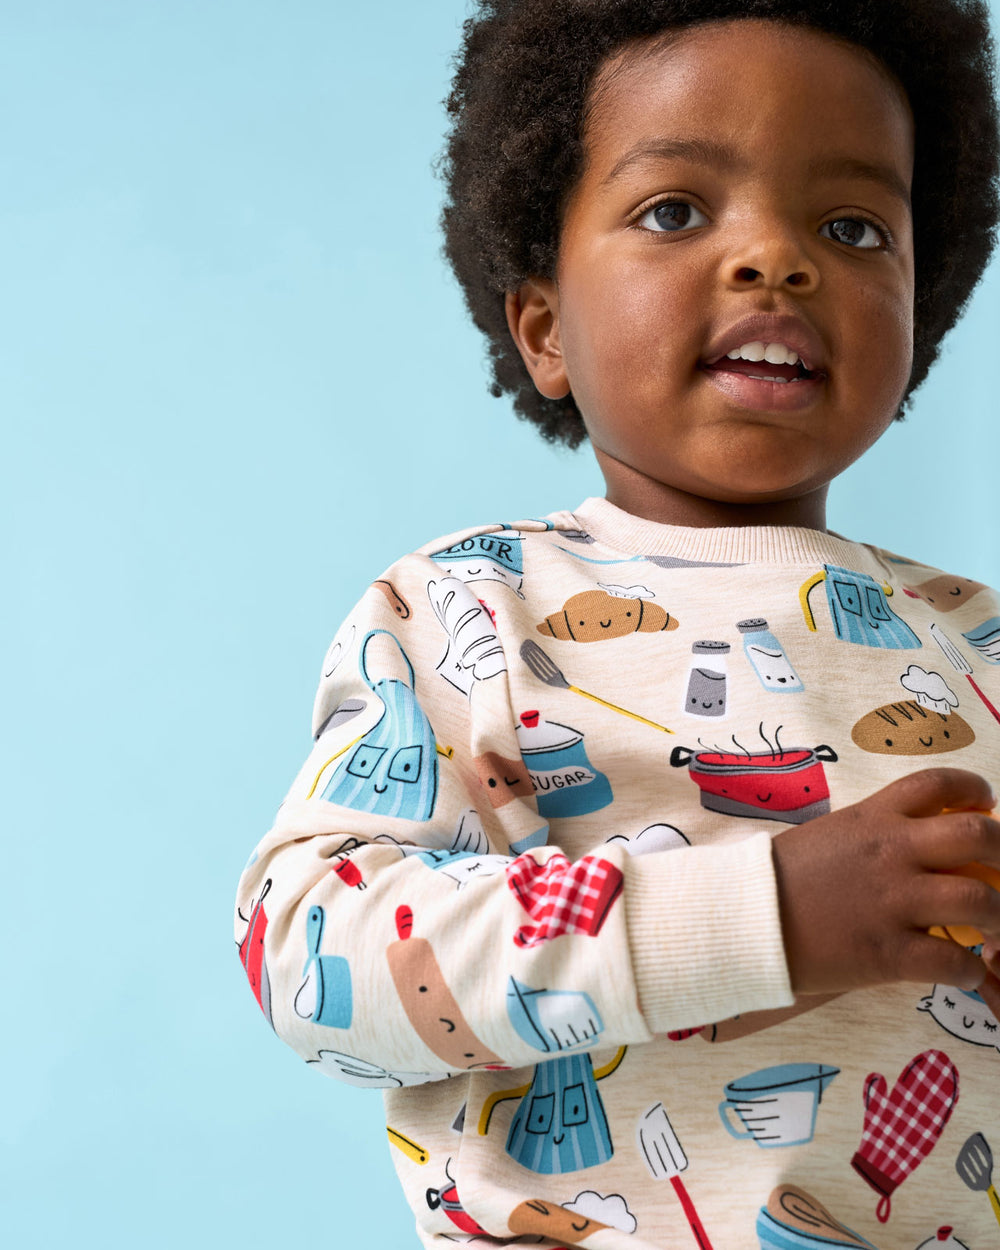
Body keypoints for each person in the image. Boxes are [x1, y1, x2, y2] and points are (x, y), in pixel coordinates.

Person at [235, 1, 1000, 1245]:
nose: (776, 259)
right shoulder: (461, 606)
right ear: (543, 328)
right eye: (675, 210)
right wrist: (762, 918)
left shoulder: (976, 644)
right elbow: (312, 954)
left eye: (851, 225)